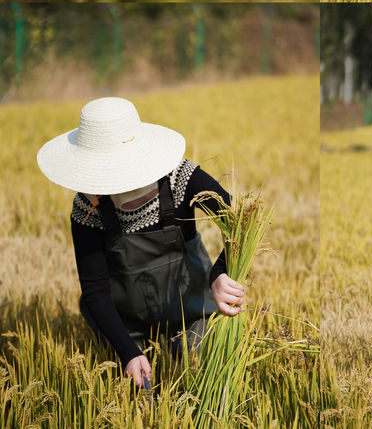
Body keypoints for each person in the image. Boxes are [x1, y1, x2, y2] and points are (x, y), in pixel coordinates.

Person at [37, 97, 245, 388]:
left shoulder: (180, 178)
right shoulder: (89, 206)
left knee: (206, 374)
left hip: (190, 310)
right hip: (125, 322)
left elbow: (240, 221)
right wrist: (128, 352)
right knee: (134, 396)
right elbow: (95, 290)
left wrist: (219, 273)